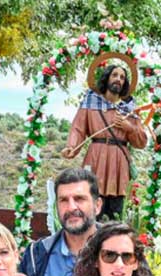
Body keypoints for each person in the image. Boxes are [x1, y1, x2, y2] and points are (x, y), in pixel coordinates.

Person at [62, 62, 148, 220]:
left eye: (122, 77)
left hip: (119, 161)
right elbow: (78, 128)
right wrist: (71, 146)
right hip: (96, 157)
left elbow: (141, 142)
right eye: (115, 75)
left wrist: (129, 127)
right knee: (92, 202)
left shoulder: (129, 109)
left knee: (116, 210)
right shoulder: (91, 102)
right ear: (107, 78)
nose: (118, 79)